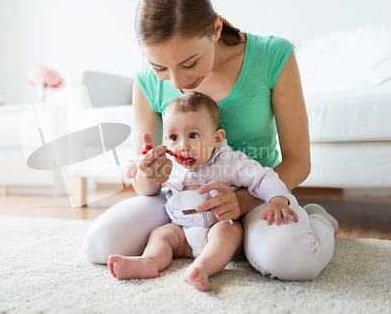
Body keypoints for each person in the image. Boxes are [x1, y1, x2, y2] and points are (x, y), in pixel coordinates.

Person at [83, 0, 339, 281]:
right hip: (181, 201)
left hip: (257, 195)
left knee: (294, 262)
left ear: (216, 29)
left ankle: (319, 219)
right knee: (99, 245)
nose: (176, 80)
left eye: (189, 63)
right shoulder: (145, 83)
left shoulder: (273, 55)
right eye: (160, 67)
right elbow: (145, 185)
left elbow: (299, 161)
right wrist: (149, 174)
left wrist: (241, 201)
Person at [108, 92, 298, 292]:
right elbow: (143, 160)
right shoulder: (169, 162)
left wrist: (277, 198)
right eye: (174, 137)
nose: (183, 147)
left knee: (229, 232)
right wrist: (133, 165)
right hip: (182, 232)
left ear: (216, 138)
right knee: (161, 234)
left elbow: (263, 177)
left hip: (218, 227)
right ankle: (149, 262)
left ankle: (202, 267)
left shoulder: (229, 162)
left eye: (193, 135)